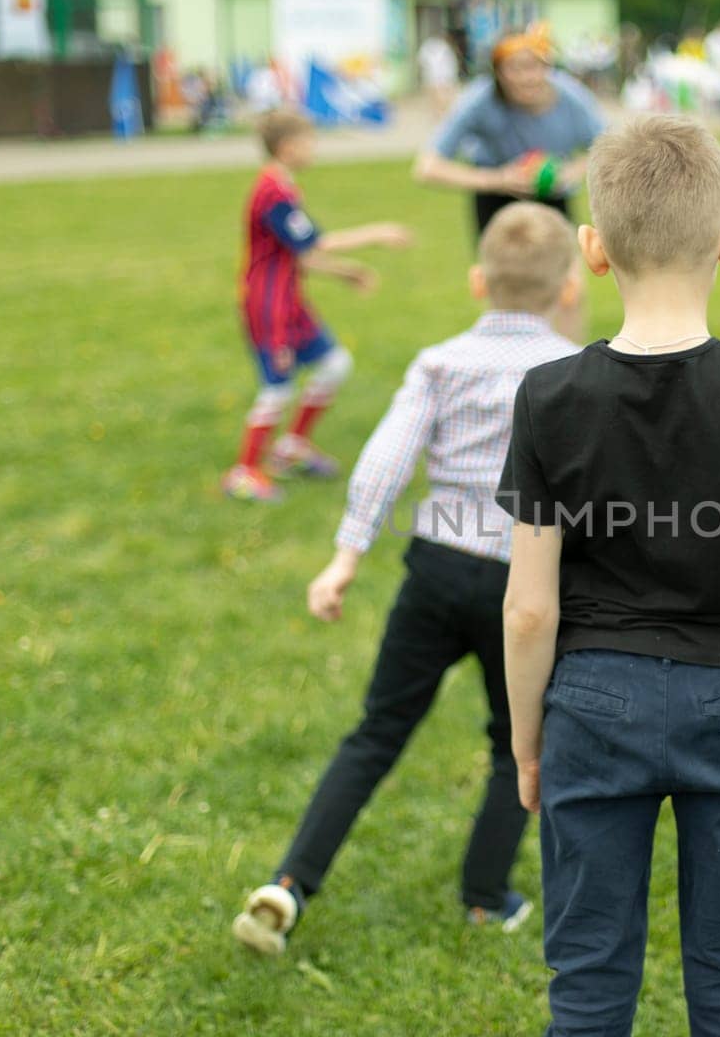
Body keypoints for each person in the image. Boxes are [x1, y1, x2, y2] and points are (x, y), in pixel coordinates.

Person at [496, 114, 720, 1037]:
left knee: (588, 986)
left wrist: (530, 739)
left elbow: (530, 606)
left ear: (593, 250)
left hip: (591, 703)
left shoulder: (548, 397)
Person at [231, 202, 586, 955]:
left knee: (376, 732)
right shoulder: (577, 374)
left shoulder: (439, 361)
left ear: (475, 279)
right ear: (568, 289)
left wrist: (347, 555)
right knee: (517, 744)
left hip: (432, 569)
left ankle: (290, 883)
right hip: (520, 589)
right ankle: (486, 896)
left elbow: (386, 460)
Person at [223, 111, 413, 502]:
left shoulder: (284, 188)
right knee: (277, 388)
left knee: (334, 364)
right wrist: (378, 233)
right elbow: (315, 245)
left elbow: (301, 256)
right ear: (289, 146)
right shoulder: (273, 192)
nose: (314, 149)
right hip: (268, 307)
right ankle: (243, 473)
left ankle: (291, 448)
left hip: (291, 301)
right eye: (309, 141)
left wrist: (345, 273)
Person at [413, 23, 605, 239]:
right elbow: (427, 168)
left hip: (553, 197)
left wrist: (568, 173)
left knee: (563, 267)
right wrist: (500, 179)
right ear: (498, 71)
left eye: (535, 66)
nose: (527, 77)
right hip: (495, 198)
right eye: (515, 68)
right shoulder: (478, 101)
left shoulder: (573, 98)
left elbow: (611, 151)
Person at [417, 31, 461, 115]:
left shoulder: (444, 49)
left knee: (442, 96)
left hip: (442, 77)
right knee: (437, 96)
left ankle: (442, 111)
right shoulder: (432, 48)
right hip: (435, 77)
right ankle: (439, 111)